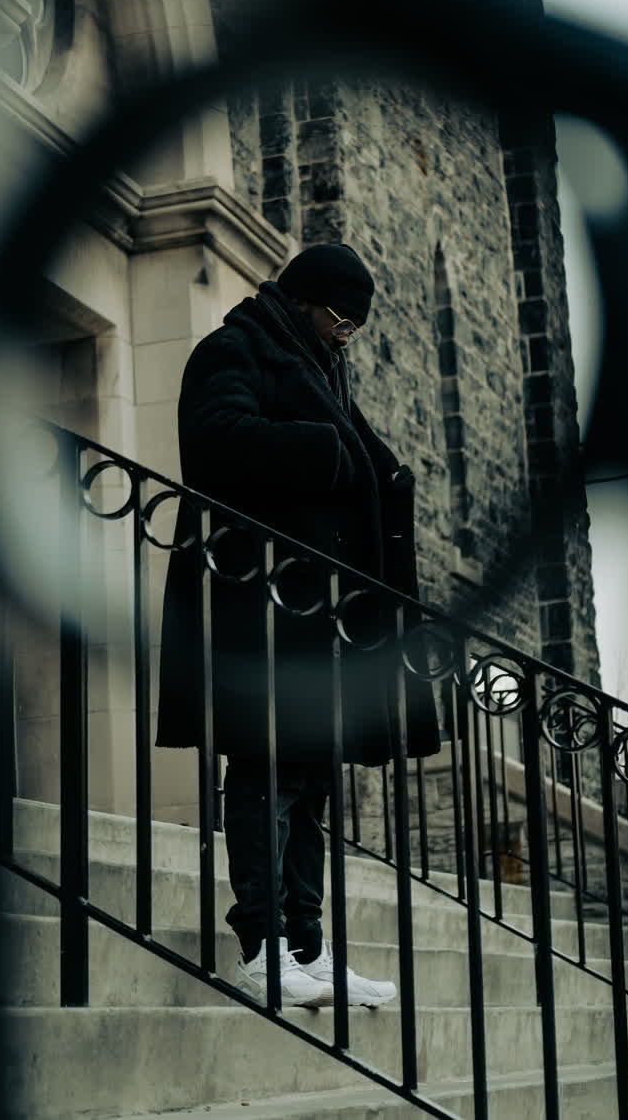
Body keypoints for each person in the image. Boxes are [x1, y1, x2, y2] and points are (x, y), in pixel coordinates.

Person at [158, 242, 440, 1008]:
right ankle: (260, 948)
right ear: (305, 299)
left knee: (309, 782)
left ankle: (306, 950)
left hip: (313, 620)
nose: (349, 331)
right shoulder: (237, 347)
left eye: (357, 322)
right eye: (341, 316)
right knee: (263, 771)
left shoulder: (319, 365)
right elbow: (212, 439)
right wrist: (320, 451)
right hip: (256, 610)